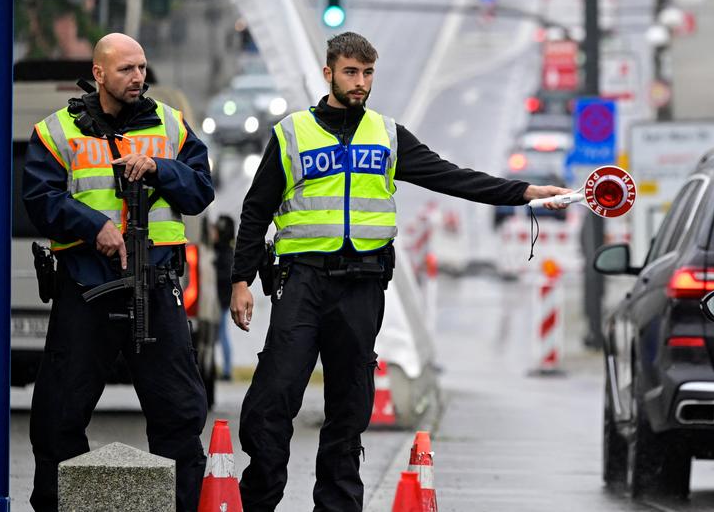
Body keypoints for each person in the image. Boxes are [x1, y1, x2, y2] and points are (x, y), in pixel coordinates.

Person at [229, 31, 571, 511]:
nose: (361, 83)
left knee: (349, 411)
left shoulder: (387, 134)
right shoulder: (292, 133)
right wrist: (241, 280)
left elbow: (451, 176)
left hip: (362, 286)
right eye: (351, 72)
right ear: (328, 73)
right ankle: (258, 501)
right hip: (302, 282)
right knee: (271, 403)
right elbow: (255, 210)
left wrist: (524, 193)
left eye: (368, 73)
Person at [21, 33, 215, 512]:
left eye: (142, 67)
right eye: (127, 69)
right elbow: (40, 201)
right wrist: (94, 227)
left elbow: (200, 190)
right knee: (57, 416)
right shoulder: (57, 131)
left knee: (181, 415)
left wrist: (158, 169)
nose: (138, 77)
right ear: (100, 73)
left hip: (155, 287)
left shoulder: (169, 125)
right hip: (87, 286)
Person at [212, 214, 237, 380]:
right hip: (221, 298)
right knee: (219, 334)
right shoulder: (222, 250)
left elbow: (225, 276)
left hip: (221, 299)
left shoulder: (225, 252)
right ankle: (224, 369)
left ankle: (227, 371)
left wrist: (212, 269)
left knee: (221, 334)